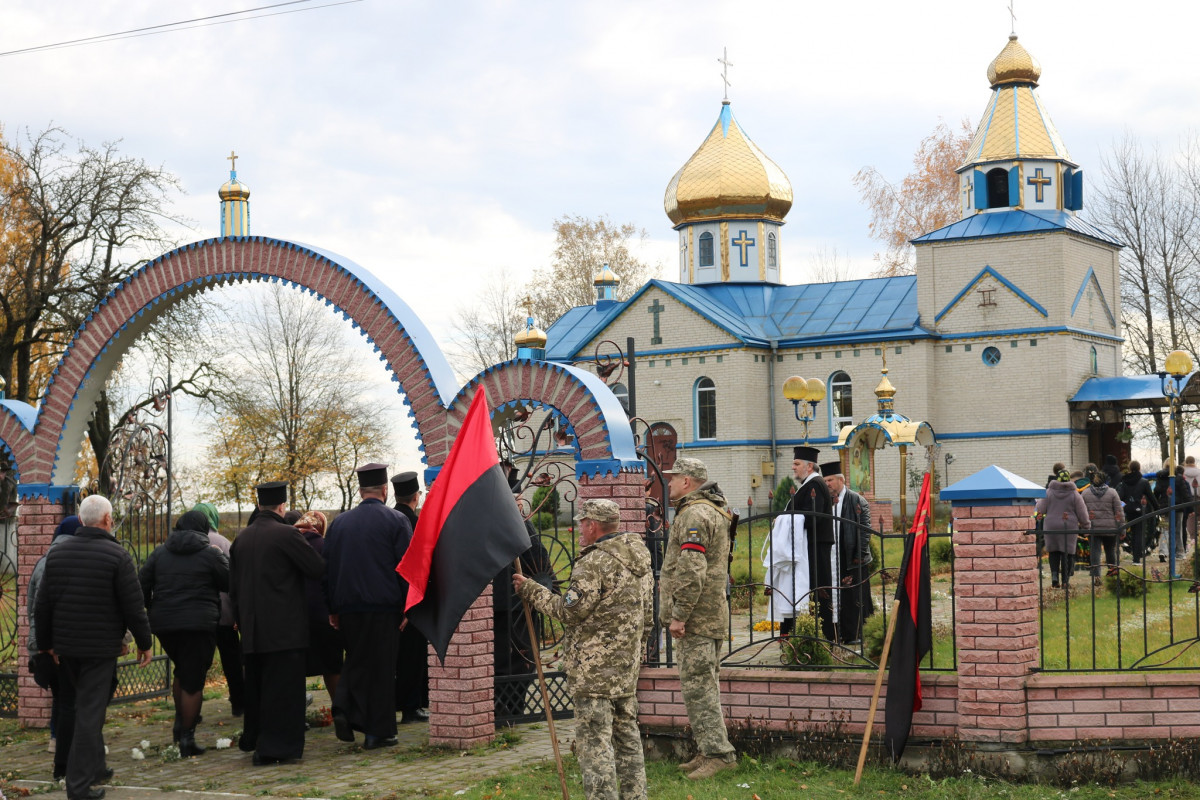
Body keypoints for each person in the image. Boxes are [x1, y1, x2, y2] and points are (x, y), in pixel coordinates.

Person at [513, 499, 653, 800]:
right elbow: (649, 616)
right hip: (625, 670)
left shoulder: (593, 563)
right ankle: (636, 795)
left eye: (581, 523)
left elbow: (568, 611)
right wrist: (637, 650)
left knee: (595, 744)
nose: (579, 528)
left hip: (593, 673)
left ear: (592, 525)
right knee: (628, 737)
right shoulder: (640, 556)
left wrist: (531, 589)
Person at [35, 494, 153, 800]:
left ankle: (95, 767)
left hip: (66, 648)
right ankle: (79, 786)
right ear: (105, 520)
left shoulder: (57, 555)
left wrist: (47, 645)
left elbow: (42, 605)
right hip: (99, 650)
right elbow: (133, 605)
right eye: (112, 517)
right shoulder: (117, 556)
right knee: (89, 713)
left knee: (84, 710)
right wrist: (144, 643)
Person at [230, 481, 326, 766]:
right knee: (283, 692)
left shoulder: (242, 539)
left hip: (252, 630)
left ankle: (257, 739)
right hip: (285, 630)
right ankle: (276, 748)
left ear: (259, 505)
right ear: (282, 507)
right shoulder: (287, 535)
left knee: (258, 688)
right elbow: (317, 568)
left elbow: (232, 588)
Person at [660, 457, 738, 780]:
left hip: (698, 620)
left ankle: (719, 755)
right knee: (703, 686)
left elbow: (692, 571)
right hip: (708, 616)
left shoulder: (695, 514)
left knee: (700, 688)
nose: (669, 482)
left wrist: (678, 616)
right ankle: (708, 749)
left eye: (673, 477)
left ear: (688, 481)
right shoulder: (710, 509)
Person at [324, 463, 411, 750]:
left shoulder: (339, 523)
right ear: (385, 490)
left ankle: (345, 707)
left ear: (360, 490)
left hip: (348, 607)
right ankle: (379, 731)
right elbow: (405, 568)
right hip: (384, 606)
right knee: (383, 668)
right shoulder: (396, 521)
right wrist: (406, 608)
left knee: (358, 659)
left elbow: (330, 569)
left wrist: (333, 608)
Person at [139, 510, 230, 756]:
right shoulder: (211, 554)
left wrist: (152, 608)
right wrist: (222, 559)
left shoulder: (159, 553)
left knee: (183, 670)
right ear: (203, 529)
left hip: (165, 626)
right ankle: (187, 739)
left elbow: (141, 585)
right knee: (194, 680)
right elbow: (228, 583)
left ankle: (180, 728)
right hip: (199, 625)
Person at [27, 515, 82, 780]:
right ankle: (62, 745)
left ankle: (56, 739)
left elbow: (32, 609)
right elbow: (41, 608)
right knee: (67, 697)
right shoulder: (59, 562)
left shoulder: (45, 559)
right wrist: (46, 645)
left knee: (62, 696)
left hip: (48, 643)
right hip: (57, 644)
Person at [493, 487, 554, 718]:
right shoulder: (520, 523)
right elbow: (539, 557)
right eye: (517, 499)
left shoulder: (485, 522)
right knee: (520, 657)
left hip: (501, 604)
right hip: (516, 604)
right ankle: (511, 708)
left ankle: (505, 707)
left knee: (507, 659)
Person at [192, 501, 245, 717]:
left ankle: (192, 709)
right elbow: (236, 578)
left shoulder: (188, 543)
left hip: (197, 614)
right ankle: (238, 702)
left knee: (196, 663)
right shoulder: (224, 542)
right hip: (225, 613)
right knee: (231, 660)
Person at [390, 470, 429, 724]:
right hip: (410, 599)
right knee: (412, 657)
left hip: (387, 598)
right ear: (416, 496)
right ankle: (411, 706)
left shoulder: (388, 518)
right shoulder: (413, 524)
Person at [822, 462, 874, 644]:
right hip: (831, 557)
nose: (826, 483)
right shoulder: (823, 500)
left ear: (841, 480)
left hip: (852, 558)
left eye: (830, 480)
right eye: (824, 480)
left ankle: (855, 634)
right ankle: (835, 633)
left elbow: (865, 531)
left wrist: (858, 557)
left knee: (853, 597)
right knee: (832, 595)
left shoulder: (856, 500)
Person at [787, 446, 835, 640]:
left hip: (816, 546)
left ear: (809, 467)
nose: (793, 467)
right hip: (811, 545)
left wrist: (785, 519)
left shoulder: (814, 485)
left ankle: (825, 637)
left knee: (819, 590)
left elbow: (811, 518)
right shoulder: (808, 484)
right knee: (814, 590)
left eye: (797, 464)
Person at [295, 510, 342, 703]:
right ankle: (339, 708)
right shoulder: (326, 546)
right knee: (332, 666)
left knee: (297, 668)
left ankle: (297, 713)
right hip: (325, 616)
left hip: (296, 618)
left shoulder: (290, 546)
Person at [1036, 470, 1090, 589]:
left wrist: (1038, 516)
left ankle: (1055, 577)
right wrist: (1086, 527)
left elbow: (1040, 509)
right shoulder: (1074, 494)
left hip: (1051, 526)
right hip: (1068, 526)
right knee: (1068, 553)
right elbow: (1082, 512)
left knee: (1054, 552)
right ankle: (1065, 581)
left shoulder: (1049, 492)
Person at [1080, 464, 1123, 586]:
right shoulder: (1112, 492)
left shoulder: (1085, 493)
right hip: (1110, 527)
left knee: (1095, 552)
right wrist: (1122, 528)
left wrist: (1084, 527)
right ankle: (1112, 571)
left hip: (1093, 527)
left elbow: (1082, 512)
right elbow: (1118, 512)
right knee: (1110, 550)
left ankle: (1096, 576)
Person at [1117, 461, 1157, 564]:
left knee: (1132, 533)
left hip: (1128, 510)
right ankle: (1136, 558)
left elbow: (1119, 498)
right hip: (1140, 510)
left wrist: (1123, 506)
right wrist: (1158, 508)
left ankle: (1133, 554)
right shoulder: (1143, 482)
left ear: (1130, 468)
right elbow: (1151, 497)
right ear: (1139, 468)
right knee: (1139, 533)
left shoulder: (1124, 481)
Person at [1185, 455, 1200, 545]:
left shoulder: (1183, 473)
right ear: (1194, 462)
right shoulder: (1199, 472)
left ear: (1186, 463)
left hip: (1188, 497)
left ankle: (1193, 537)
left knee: (1190, 517)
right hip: (1198, 496)